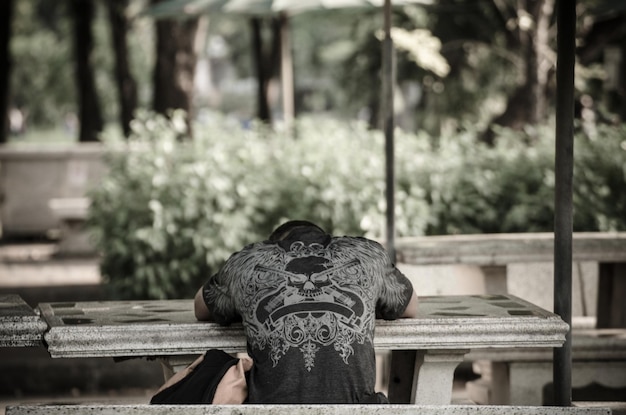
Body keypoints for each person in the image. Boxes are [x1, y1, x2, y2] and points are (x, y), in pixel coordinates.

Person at [193, 220, 418, 404]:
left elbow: (200, 307)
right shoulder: (368, 256)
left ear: (273, 246)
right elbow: (411, 306)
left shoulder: (246, 263)